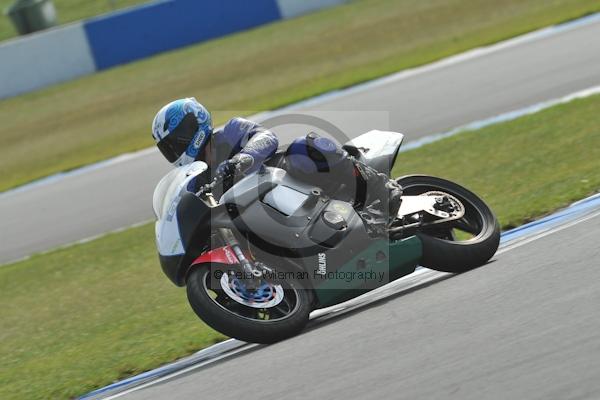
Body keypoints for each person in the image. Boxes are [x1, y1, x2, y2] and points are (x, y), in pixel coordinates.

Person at [151, 98, 401, 230]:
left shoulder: (230, 131)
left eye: (175, 141)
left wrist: (242, 158)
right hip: (264, 216)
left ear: (191, 127)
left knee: (306, 147)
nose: (174, 149)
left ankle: (379, 189)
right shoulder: (196, 179)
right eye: (168, 147)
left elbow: (266, 137)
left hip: (284, 177)